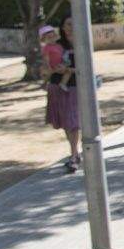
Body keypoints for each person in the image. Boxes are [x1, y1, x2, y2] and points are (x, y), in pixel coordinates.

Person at [40, 22, 80, 172]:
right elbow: (45, 67)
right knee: (68, 124)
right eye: (67, 24)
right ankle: (74, 153)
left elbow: (86, 68)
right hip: (57, 86)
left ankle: (74, 155)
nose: (70, 28)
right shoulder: (58, 46)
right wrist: (47, 74)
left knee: (72, 123)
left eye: (72, 24)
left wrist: (68, 69)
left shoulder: (80, 44)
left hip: (74, 86)